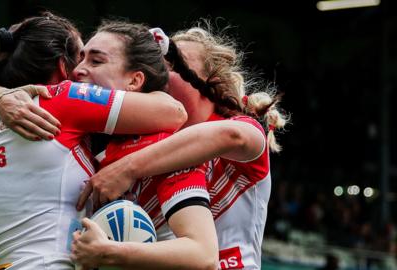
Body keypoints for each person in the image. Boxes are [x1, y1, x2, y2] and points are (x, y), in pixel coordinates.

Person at [0, 21, 220, 270]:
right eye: (79, 58)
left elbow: (204, 256)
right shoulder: (59, 102)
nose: (78, 71)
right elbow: (173, 111)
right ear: (63, 67)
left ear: (135, 79)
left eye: (95, 60)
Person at [74, 25, 289, 270]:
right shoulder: (142, 145)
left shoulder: (241, 127)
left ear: (211, 81)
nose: (161, 72)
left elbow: (232, 136)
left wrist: (127, 168)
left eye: (174, 65)